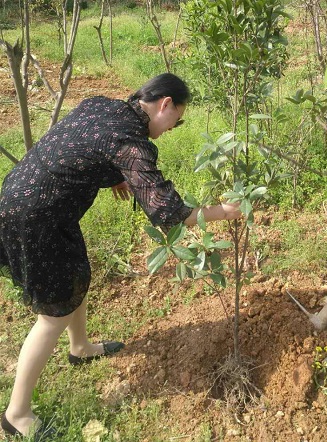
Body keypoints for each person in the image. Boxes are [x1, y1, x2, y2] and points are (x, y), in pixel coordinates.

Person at [0, 73, 241, 440]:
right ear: (165, 105)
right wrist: (223, 211)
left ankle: (80, 348)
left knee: (76, 276)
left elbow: (82, 141)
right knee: (52, 316)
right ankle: (16, 414)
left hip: (22, 194)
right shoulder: (129, 140)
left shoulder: (103, 105)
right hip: (38, 218)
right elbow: (169, 213)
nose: (173, 127)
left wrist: (114, 173)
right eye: (178, 120)